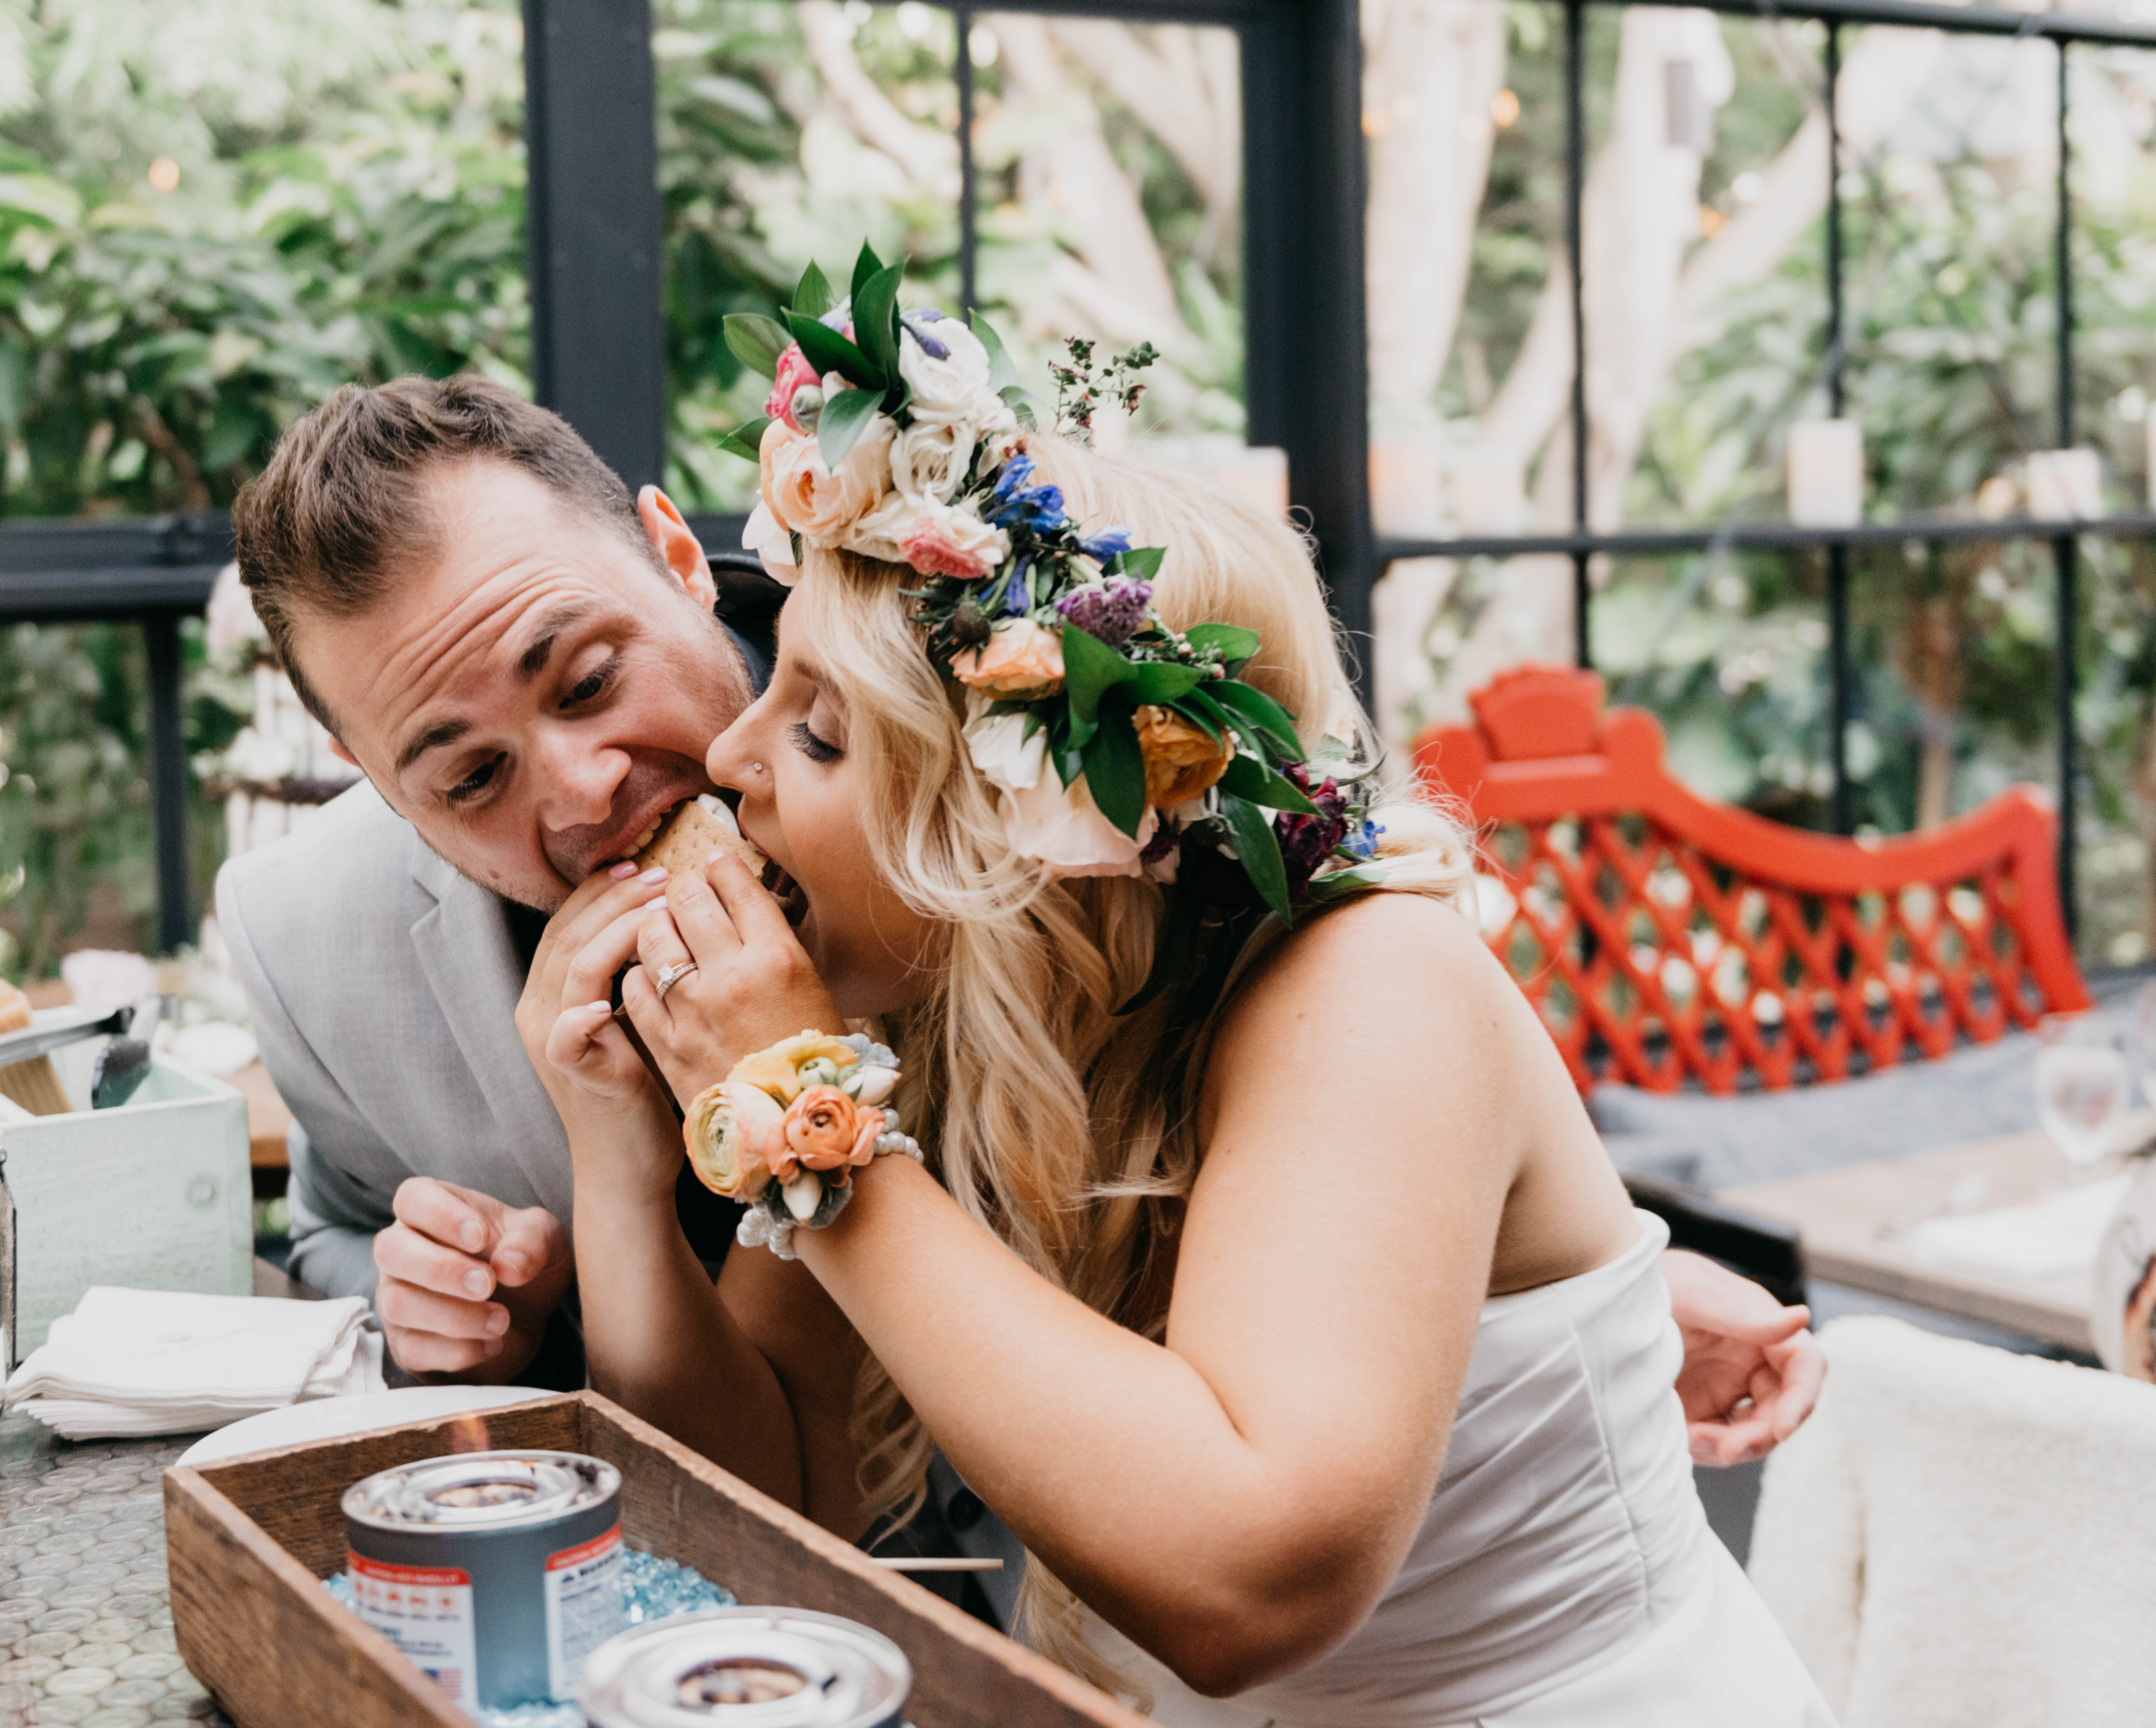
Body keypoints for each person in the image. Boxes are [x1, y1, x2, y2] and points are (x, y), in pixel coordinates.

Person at [214, 374, 1822, 1585]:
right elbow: (771, 1511)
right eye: (465, 775)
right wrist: (622, 1165)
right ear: (365, 775)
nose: (700, 765)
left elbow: (1300, 1116)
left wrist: (1549, 1277)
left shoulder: (1031, 845)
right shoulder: (868, 958)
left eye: (815, 724)